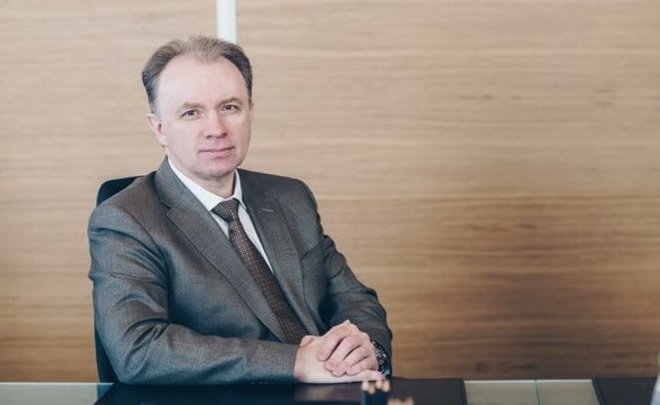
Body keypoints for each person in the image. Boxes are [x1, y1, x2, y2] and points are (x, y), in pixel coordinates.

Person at [88, 36, 392, 385]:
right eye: (191, 113)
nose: (216, 129)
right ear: (159, 129)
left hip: (334, 386)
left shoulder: (291, 197)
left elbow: (352, 298)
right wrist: (294, 362)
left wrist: (366, 347)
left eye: (230, 107)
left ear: (250, 112)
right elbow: (139, 348)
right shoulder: (125, 219)